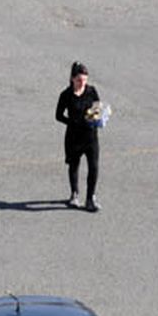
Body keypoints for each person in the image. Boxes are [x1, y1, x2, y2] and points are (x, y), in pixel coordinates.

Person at [55, 61, 102, 212]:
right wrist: (72, 122)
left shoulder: (91, 91)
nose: (83, 83)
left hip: (90, 136)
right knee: (74, 165)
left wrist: (97, 116)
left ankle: (90, 198)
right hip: (74, 137)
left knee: (93, 167)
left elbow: (97, 107)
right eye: (79, 80)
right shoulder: (66, 95)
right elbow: (58, 115)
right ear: (72, 79)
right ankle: (74, 194)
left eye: (85, 79)